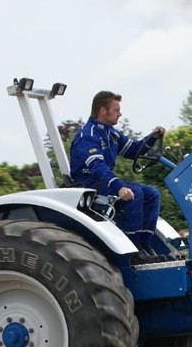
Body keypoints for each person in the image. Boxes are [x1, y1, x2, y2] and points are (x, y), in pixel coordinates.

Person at [69, 90, 166, 263]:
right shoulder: (87, 135)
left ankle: (144, 245)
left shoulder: (111, 133)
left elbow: (134, 150)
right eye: (116, 110)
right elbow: (97, 167)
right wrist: (118, 187)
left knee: (152, 193)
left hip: (104, 181)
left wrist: (152, 138)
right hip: (89, 183)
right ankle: (132, 251)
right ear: (103, 110)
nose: (120, 114)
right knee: (135, 193)